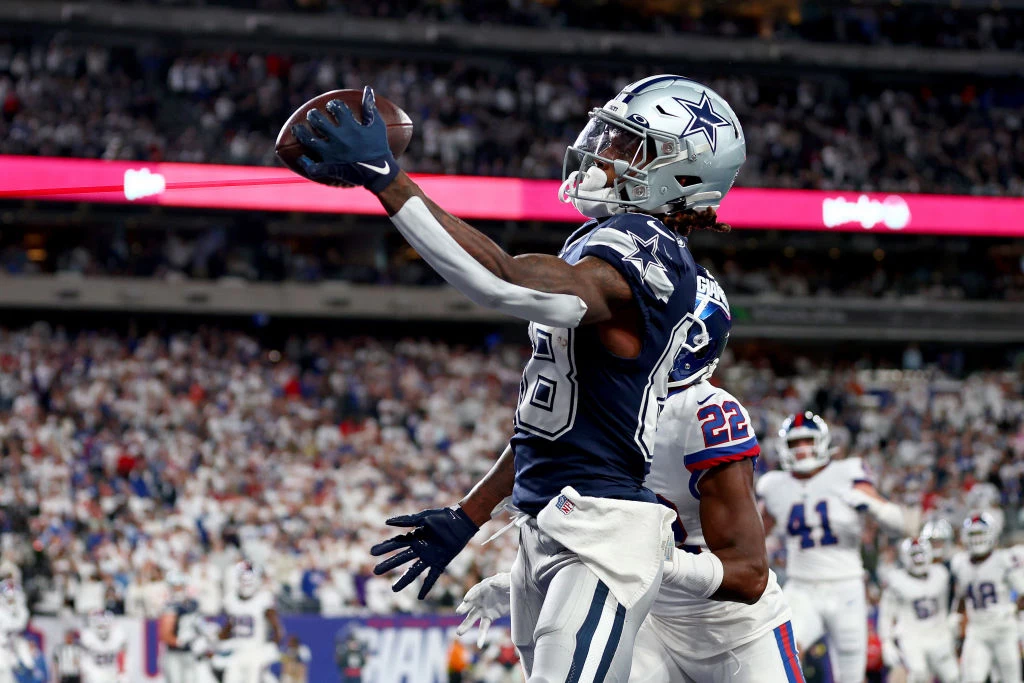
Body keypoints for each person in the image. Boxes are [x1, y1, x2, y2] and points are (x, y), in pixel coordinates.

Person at [294, 75, 746, 682]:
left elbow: (503, 279)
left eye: (626, 143)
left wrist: (388, 178)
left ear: (683, 172)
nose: (601, 149)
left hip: (601, 536)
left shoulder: (649, 248)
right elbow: (550, 428)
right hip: (550, 524)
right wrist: (468, 515)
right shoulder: (607, 243)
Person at [456, 272, 802, 682]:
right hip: (647, 615)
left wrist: (656, 560)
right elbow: (564, 497)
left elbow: (750, 576)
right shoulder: (604, 395)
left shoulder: (705, 412)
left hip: (736, 631)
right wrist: (517, 574)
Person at [757, 412, 919, 683]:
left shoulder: (847, 472)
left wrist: (875, 507)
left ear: (822, 442)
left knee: (851, 675)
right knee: (781, 653)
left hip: (847, 587)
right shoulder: (774, 485)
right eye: (795, 444)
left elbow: (901, 527)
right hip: (802, 586)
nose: (802, 450)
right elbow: (755, 534)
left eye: (807, 441)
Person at [951, 512, 1024, 683]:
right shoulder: (960, 563)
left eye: (981, 533)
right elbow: (961, 597)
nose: (977, 539)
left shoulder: (1003, 559)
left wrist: (1013, 610)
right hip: (977, 631)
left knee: (1011, 679)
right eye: (973, 534)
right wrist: (957, 619)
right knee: (970, 678)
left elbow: (1022, 592)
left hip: (1003, 630)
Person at [877, 538, 957, 683]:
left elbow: (947, 603)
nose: (918, 559)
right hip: (911, 637)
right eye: (914, 555)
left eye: (921, 554)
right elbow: (886, 615)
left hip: (937, 633)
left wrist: (949, 622)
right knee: (919, 675)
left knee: (953, 676)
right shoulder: (896, 580)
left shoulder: (940, 574)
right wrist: (886, 641)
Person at [218, 562, 283, 683]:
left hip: (256, 652)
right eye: (243, 578)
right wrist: (219, 641)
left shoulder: (264, 599)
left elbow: (278, 630)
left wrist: (269, 649)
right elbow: (228, 627)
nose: (246, 583)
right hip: (237, 652)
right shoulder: (231, 600)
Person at [159, 571, 202, 683]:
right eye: (175, 587)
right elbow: (165, 634)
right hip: (175, 654)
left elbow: (198, 625)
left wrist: (201, 639)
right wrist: (180, 641)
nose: (178, 590)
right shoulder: (170, 606)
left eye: (180, 586)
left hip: (190, 653)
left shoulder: (193, 603)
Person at [79, 611, 126, 683]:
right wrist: (91, 673)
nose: (103, 629)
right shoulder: (88, 637)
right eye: (100, 626)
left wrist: (121, 674)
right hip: (96, 674)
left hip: (112, 673)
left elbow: (122, 656)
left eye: (105, 625)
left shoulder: (118, 636)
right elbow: (84, 660)